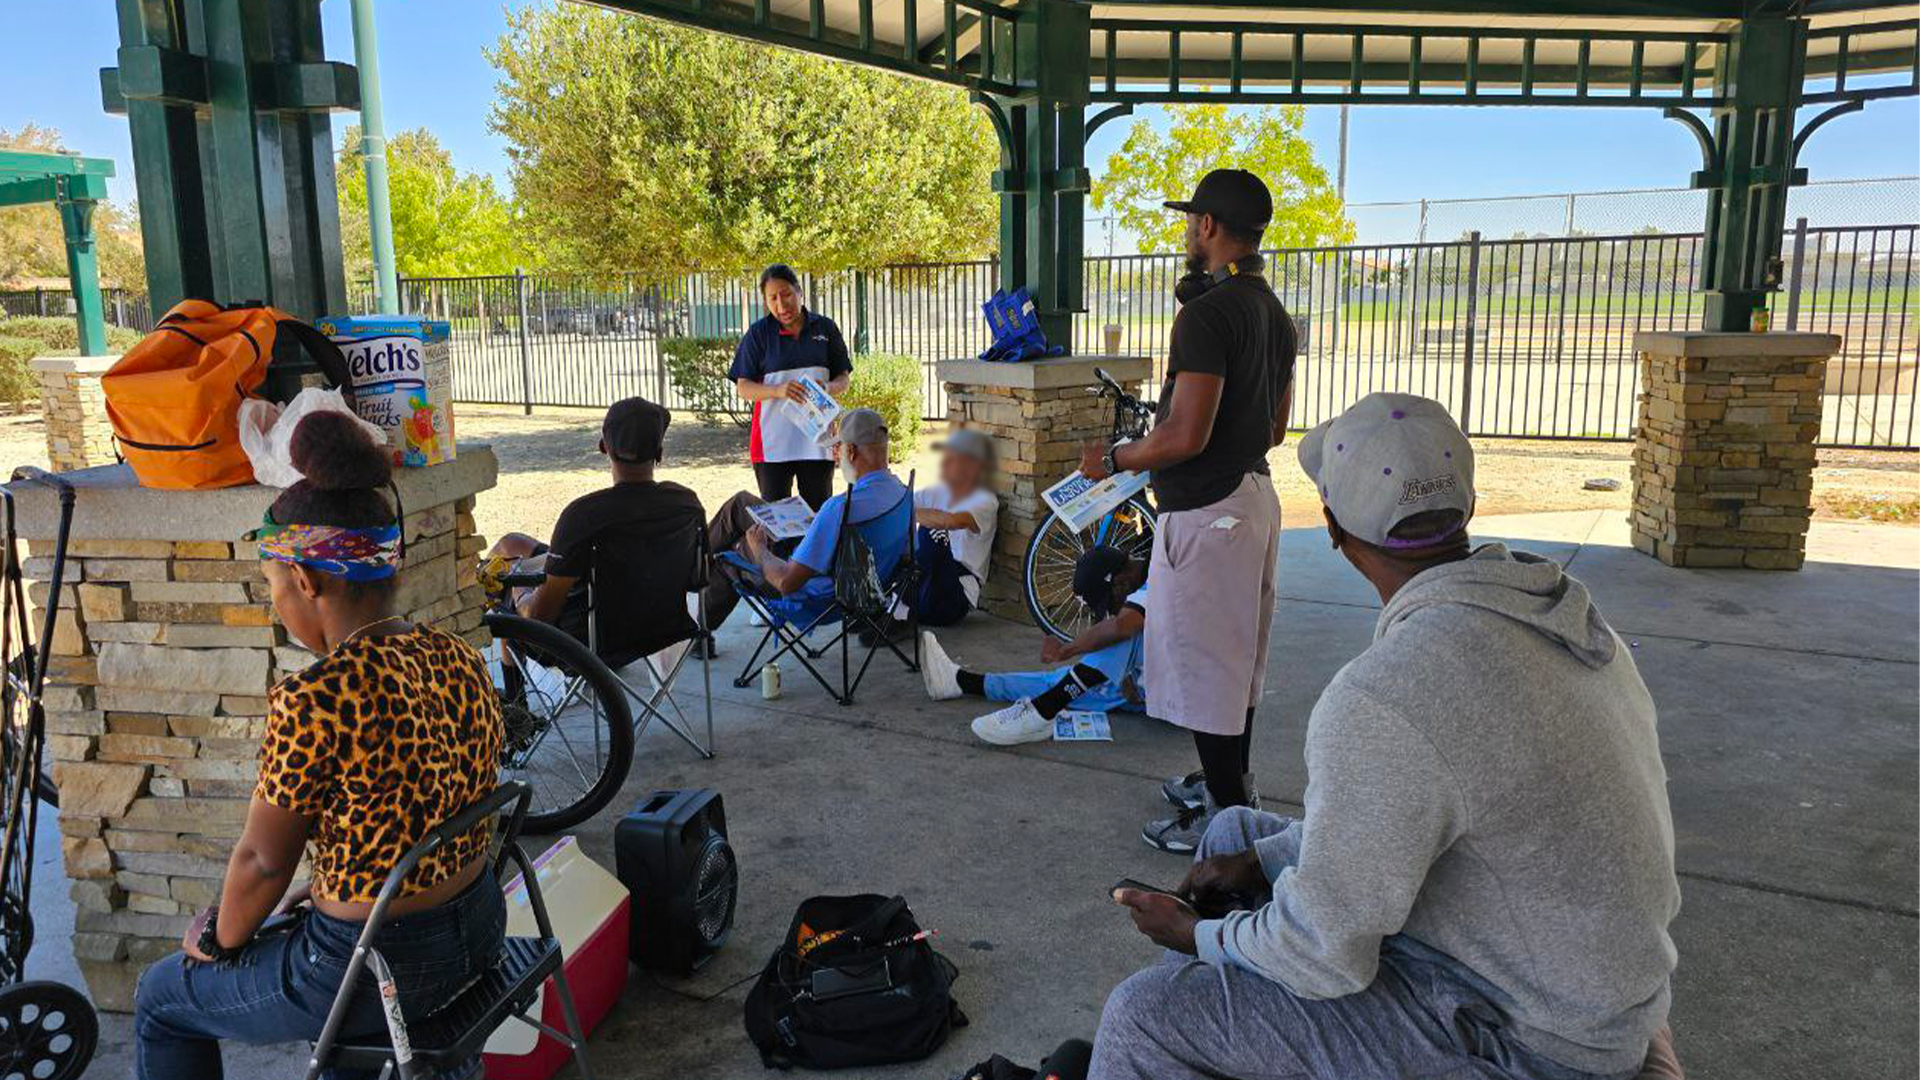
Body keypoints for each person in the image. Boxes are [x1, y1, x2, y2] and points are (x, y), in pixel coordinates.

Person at [1089, 393, 1681, 1080]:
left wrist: (1198, 937)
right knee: (1233, 840)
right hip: (1586, 986)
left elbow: (1325, 954)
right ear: (1469, 504)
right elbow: (1412, 807)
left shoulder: (1386, 694)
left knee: (1144, 1013)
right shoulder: (1566, 615)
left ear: (1336, 532)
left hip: (1527, 1037)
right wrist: (1263, 863)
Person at [134, 412, 507, 1080]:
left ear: (308, 581)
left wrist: (219, 941)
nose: (279, 602)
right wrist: (327, 886)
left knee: (163, 996)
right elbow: (413, 808)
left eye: (276, 586)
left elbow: (260, 862)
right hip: (481, 926)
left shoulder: (317, 699)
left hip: (370, 965)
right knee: (343, 1035)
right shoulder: (458, 658)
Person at [1076, 167, 1295, 853]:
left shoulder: (1206, 314)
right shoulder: (1272, 311)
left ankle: (1227, 831)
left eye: (1189, 221)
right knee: (1236, 664)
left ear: (1208, 227)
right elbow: (1274, 429)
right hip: (1253, 497)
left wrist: (1113, 460)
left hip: (1209, 511)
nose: (1185, 233)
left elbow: (1183, 436)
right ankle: (1232, 789)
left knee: (1206, 668)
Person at [485, 396, 710, 654]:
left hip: (586, 643)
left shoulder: (583, 516)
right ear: (660, 453)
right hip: (663, 628)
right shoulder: (686, 503)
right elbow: (698, 577)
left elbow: (538, 618)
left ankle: (512, 692)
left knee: (503, 578)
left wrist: (519, 585)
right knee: (511, 543)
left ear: (604, 447)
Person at [701, 407, 911, 632]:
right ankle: (693, 564)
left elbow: (787, 583)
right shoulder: (903, 494)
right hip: (853, 576)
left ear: (850, 451)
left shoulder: (839, 508)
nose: (836, 455)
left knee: (733, 557)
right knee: (740, 504)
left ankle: (696, 630)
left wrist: (759, 550)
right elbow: (906, 559)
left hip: (818, 594)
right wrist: (818, 528)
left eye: (838, 448)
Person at [922, 545, 1148, 745]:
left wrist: (1066, 649)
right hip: (1149, 689)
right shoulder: (1138, 586)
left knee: (1119, 633)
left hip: (1172, 689)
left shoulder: (1157, 582)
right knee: (1061, 681)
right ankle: (961, 682)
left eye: (1110, 603)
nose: (1113, 610)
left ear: (1121, 583)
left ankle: (1044, 710)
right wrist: (1127, 672)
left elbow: (1121, 628)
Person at [731, 263, 853, 509]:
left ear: (799, 291)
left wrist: (828, 387)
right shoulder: (758, 334)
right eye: (772, 298)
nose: (781, 305)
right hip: (772, 447)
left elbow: (844, 379)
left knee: (818, 516)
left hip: (817, 443)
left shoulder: (826, 328)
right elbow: (743, 387)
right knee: (778, 521)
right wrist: (778, 390)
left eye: (786, 295)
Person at [900, 428, 1000, 628]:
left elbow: (953, 522)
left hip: (952, 597)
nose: (944, 462)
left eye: (952, 457)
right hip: (924, 584)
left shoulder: (985, 500)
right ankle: (892, 608)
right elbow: (899, 503)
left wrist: (904, 513)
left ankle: (898, 611)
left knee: (933, 531)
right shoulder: (936, 491)